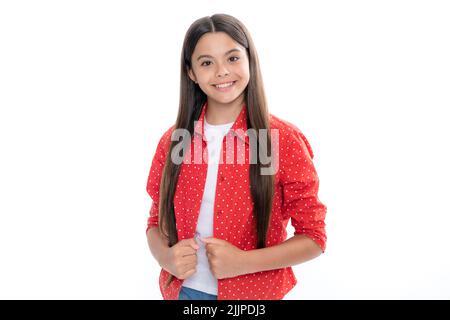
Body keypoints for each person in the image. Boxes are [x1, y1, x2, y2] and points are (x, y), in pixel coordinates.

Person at [145, 13, 327, 300]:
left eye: (232, 58)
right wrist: (164, 257)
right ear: (191, 72)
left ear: (249, 60)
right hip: (184, 292)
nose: (221, 71)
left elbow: (314, 238)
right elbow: (155, 221)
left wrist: (242, 263)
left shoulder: (277, 140)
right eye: (206, 62)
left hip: (253, 297)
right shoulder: (176, 141)